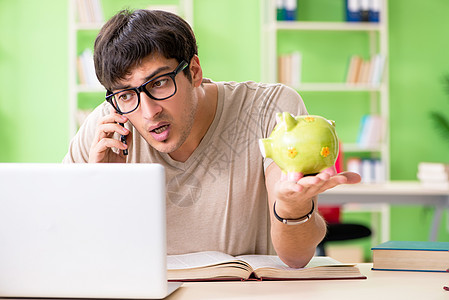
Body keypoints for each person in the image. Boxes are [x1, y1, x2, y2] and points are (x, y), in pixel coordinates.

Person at [63, 9, 361, 268]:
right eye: (127, 94)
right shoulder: (107, 127)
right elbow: (67, 248)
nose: (149, 111)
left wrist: (293, 207)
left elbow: (296, 258)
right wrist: (100, 186)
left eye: (159, 83)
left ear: (193, 71)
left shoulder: (271, 110)